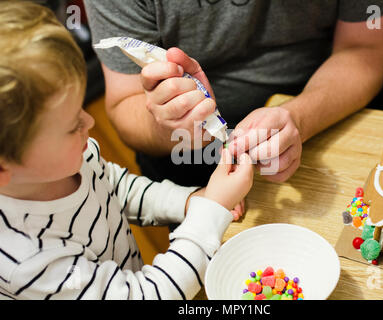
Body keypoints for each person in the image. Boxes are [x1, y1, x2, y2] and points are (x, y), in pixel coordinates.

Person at [0, 1, 253, 300]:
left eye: (81, 108)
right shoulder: (27, 260)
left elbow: (116, 188)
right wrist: (212, 211)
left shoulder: (71, 160)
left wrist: (189, 201)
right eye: (71, 126)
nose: (90, 122)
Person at [84, 0, 383, 187]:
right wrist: (172, 123)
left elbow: (365, 48)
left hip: (325, 94)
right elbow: (125, 103)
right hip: (186, 144)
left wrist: (300, 117)